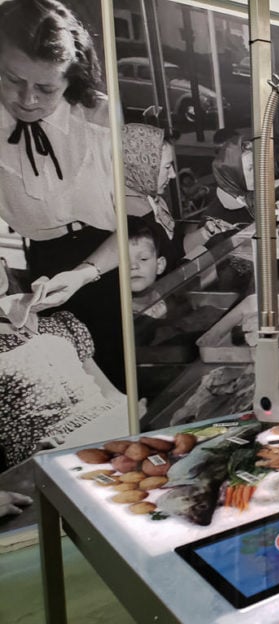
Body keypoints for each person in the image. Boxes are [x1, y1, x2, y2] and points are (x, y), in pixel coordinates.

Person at [0, 0, 125, 390]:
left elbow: (138, 225)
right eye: (11, 79)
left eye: (45, 87)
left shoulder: (102, 120)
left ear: (71, 79)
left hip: (111, 261)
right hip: (42, 265)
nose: (27, 99)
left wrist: (83, 274)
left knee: (120, 383)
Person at [0, 257, 127, 471]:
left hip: (111, 428)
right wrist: (30, 457)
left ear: (3, 263)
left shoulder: (58, 324)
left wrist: (131, 411)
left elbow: (110, 393)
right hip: (48, 455)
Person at [122, 123, 181, 265]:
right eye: (167, 167)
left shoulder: (153, 200)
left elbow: (173, 248)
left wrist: (204, 233)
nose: (173, 175)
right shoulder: (132, 215)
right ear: (142, 167)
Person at [127, 216, 168, 318]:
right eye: (124, 261)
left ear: (160, 265)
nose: (133, 266)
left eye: (143, 258)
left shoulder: (169, 296)